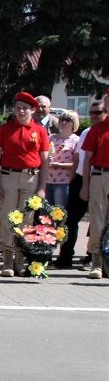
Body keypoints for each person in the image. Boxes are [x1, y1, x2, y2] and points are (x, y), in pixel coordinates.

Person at [0, 92, 51, 277]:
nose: (21, 111)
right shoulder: (6, 129)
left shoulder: (40, 131)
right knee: (8, 218)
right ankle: (7, 260)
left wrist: (42, 187)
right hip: (8, 177)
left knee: (26, 219)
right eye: (18, 107)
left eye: (25, 108)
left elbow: (45, 161)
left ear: (32, 110)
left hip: (31, 179)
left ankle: (20, 260)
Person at [57, 101, 106, 269]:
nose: (93, 115)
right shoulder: (87, 132)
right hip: (81, 178)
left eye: (98, 112)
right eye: (91, 112)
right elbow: (79, 158)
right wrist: (76, 181)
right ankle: (65, 256)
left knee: (97, 220)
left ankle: (93, 257)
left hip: (99, 178)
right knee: (71, 219)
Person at [80, 93, 109, 280]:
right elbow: (87, 159)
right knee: (98, 221)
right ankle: (97, 263)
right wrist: (85, 185)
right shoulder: (98, 129)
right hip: (100, 176)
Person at [45, 110, 81, 209]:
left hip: (63, 182)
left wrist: (59, 165)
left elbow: (77, 163)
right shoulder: (51, 137)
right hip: (46, 179)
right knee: (45, 214)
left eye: (68, 120)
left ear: (74, 123)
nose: (63, 122)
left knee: (58, 213)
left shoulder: (76, 140)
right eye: (62, 119)